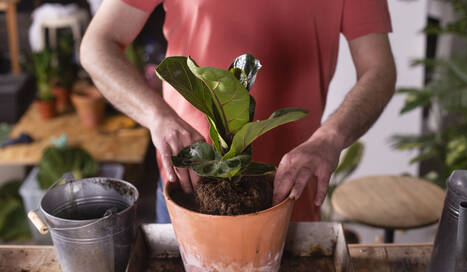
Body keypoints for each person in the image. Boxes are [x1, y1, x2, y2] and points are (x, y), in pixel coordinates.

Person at [80, 0, 396, 222]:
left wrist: (332, 136)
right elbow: (98, 44)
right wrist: (156, 116)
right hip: (191, 188)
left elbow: (379, 69)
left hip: (289, 193)